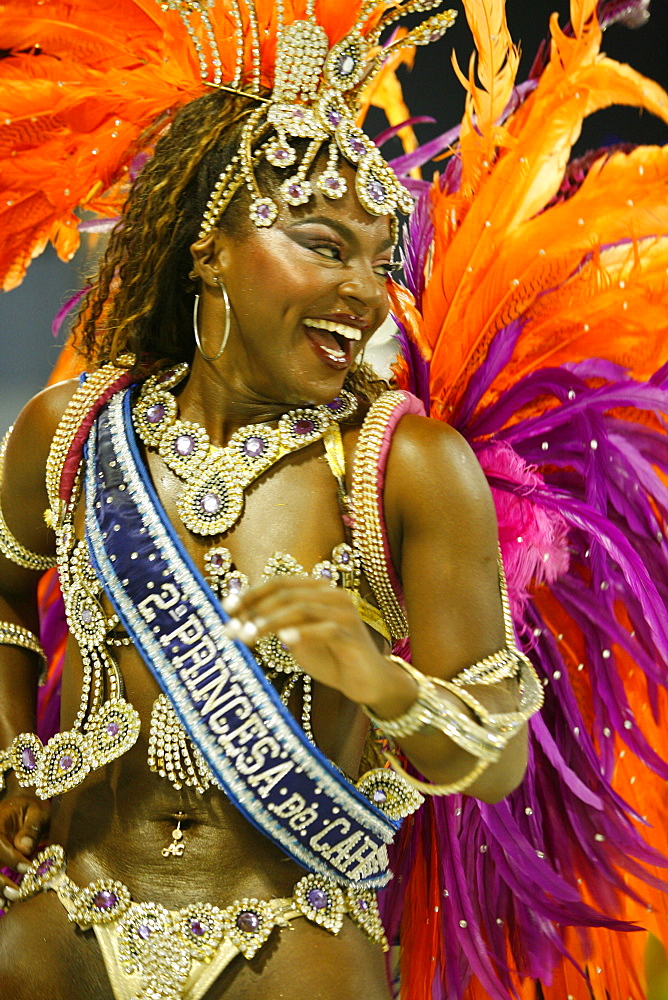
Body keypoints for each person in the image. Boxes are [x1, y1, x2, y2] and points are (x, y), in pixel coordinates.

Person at [0, 4, 542, 998]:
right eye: (322, 243)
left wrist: (383, 684)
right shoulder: (69, 432)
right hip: (57, 936)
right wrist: (8, 755)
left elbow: (497, 754)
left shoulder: (406, 465)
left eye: (379, 261)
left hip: (290, 947)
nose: (365, 290)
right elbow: (2, 594)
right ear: (207, 246)